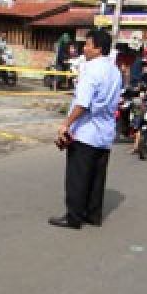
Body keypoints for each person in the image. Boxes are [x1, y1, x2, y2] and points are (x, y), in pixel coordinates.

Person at [49, 29, 121, 229]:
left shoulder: (91, 69)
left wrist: (66, 123)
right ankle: (92, 214)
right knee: (96, 177)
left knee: (78, 176)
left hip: (87, 131)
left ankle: (74, 217)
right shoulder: (114, 71)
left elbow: (83, 103)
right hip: (105, 132)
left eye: (88, 44)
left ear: (98, 48)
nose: (84, 48)